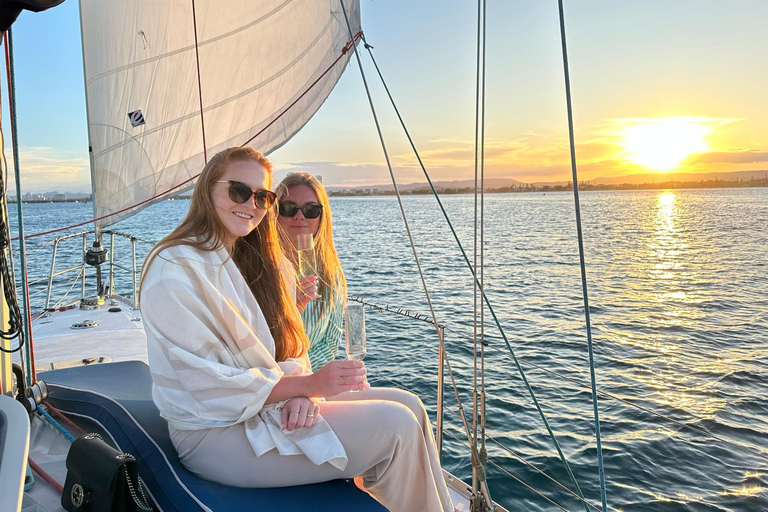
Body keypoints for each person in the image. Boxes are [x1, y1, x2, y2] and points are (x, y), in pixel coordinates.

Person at [140, 147, 453, 512]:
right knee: (396, 427)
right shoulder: (176, 268)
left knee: (411, 405)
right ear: (208, 188)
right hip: (213, 433)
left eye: (263, 196)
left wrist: (304, 392)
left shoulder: (253, 262)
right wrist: (306, 386)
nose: (251, 204)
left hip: (265, 403)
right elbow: (206, 384)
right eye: (238, 191)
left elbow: (290, 349)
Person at [275, 173, 345, 371]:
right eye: (288, 208)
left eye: (310, 210)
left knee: (407, 400)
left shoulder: (331, 272)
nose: (299, 216)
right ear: (275, 213)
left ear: (322, 216)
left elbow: (331, 341)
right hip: (273, 383)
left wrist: (306, 375)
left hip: (310, 378)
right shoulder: (262, 268)